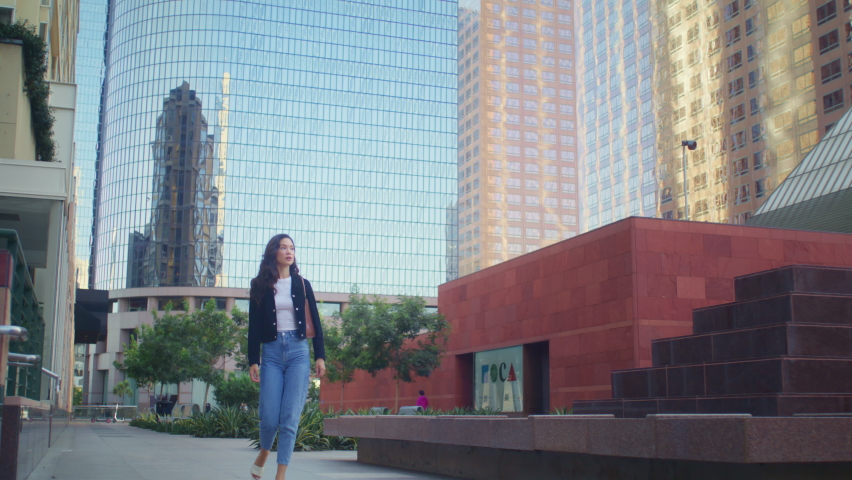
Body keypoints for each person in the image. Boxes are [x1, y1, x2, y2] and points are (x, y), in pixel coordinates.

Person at [248, 234, 325, 480]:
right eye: (283, 247)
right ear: (274, 253)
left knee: (290, 417)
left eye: (292, 248)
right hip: (270, 353)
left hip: (298, 352)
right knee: (269, 417)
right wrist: (253, 359)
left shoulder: (302, 284)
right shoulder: (259, 284)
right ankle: (264, 451)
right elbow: (253, 326)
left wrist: (320, 356)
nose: (289, 252)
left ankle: (280, 476)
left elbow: (316, 321)